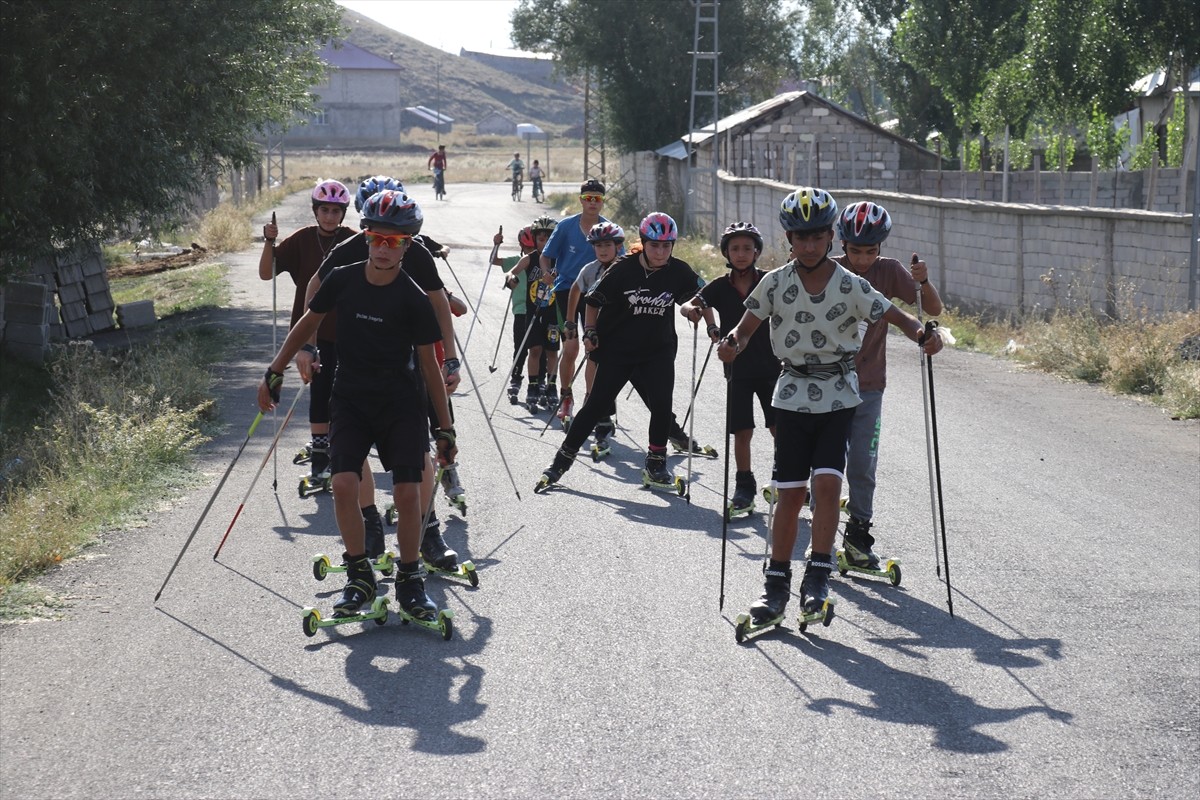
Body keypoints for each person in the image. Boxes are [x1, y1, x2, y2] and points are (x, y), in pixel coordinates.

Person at [716, 187, 943, 627]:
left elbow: (895, 316)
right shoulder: (775, 281)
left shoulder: (850, 283)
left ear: (829, 236)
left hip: (839, 393)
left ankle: (817, 576)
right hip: (792, 394)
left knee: (825, 488)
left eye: (818, 236)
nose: (809, 245)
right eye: (801, 238)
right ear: (789, 239)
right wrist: (732, 345)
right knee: (789, 493)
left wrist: (924, 336)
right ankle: (775, 585)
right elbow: (745, 328)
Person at [257, 189, 456, 621]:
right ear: (365, 236)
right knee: (343, 485)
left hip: (400, 402)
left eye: (394, 242)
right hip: (349, 396)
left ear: (408, 245)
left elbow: (428, 368)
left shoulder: (413, 298)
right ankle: (360, 574)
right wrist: (274, 370)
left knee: (407, 492)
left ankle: (409, 578)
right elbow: (307, 322)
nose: (384, 248)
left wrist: (445, 428)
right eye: (377, 238)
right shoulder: (342, 279)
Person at [301, 175, 463, 569]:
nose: (384, 238)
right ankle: (370, 523)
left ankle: (428, 531)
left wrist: (450, 357)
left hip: (401, 361)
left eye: (394, 231)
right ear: (364, 219)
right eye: (376, 228)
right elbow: (313, 288)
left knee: (418, 454)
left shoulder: (415, 252)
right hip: (349, 351)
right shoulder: (350, 248)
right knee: (350, 450)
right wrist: (308, 346)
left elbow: (439, 303)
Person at [536, 212, 704, 492]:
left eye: (666, 245)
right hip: (618, 350)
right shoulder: (623, 268)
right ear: (644, 243)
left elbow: (695, 297)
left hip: (657, 351)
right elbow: (592, 301)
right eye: (654, 245)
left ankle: (655, 464)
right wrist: (589, 330)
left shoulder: (679, 270)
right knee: (595, 405)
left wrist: (693, 311)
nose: (661, 252)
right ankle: (560, 462)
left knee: (661, 405)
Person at [832, 200, 943, 569]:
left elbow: (929, 311)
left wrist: (922, 282)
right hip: (825, 385)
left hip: (868, 385)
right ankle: (822, 529)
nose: (862, 259)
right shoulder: (827, 270)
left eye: (870, 251)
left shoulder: (890, 271)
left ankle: (859, 534)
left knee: (863, 463)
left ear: (881, 247)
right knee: (828, 463)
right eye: (855, 251)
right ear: (842, 244)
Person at [258, 179, 357, 487]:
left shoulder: (353, 241)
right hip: (311, 331)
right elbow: (265, 273)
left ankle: (344, 450)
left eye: (336, 211)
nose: (330, 216)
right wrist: (269, 243)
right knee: (319, 390)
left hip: (350, 331)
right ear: (315, 211)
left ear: (343, 213)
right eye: (324, 210)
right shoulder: (301, 239)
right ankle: (320, 451)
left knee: (346, 393)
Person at [680, 221, 780, 517]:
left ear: (756, 251)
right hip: (737, 368)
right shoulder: (720, 286)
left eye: (747, 248)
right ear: (726, 252)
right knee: (742, 430)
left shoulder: (769, 281)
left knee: (780, 428)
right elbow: (689, 304)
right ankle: (744, 487)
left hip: (773, 366)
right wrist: (693, 311)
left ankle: (787, 479)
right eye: (735, 248)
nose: (741, 254)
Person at [540, 179, 611, 420]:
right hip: (565, 292)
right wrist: (547, 274)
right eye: (588, 198)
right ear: (581, 200)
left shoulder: (609, 229)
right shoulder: (566, 227)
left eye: (597, 199)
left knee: (594, 349)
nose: (593, 203)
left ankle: (591, 400)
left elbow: (620, 263)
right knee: (570, 348)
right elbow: (546, 256)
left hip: (597, 296)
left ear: (603, 201)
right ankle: (566, 396)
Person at [560, 221, 624, 439]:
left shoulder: (627, 268)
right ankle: (591, 400)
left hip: (620, 328)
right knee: (594, 361)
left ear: (618, 246)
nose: (603, 250)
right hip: (595, 326)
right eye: (598, 246)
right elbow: (575, 290)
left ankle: (604, 406)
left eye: (607, 245)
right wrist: (569, 321)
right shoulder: (589, 270)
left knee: (615, 370)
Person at [504, 216, 560, 412]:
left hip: (553, 312)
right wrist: (511, 279)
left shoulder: (559, 260)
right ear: (535, 240)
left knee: (552, 351)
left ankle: (552, 387)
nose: (544, 243)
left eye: (548, 239)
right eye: (540, 239)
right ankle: (533, 386)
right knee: (535, 350)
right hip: (533, 312)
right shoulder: (530, 258)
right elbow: (512, 271)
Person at [495, 225, 540, 403]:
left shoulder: (543, 262)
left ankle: (539, 382)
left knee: (539, 349)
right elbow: (493, 260)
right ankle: (515, 378)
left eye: (533, 248)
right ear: (522, 246)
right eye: (528, 248)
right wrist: (496, 244)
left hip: (539, 310)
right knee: (520, 347)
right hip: (521, 311)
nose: (531, 251)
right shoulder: (517, 260)